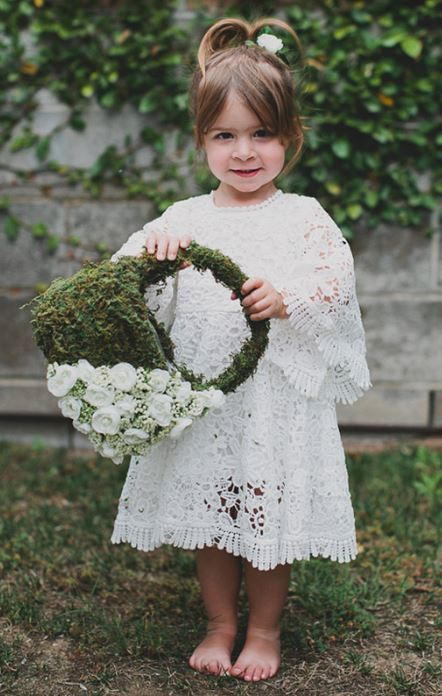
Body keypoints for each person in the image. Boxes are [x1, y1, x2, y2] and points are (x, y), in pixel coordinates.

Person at [109, 15, 372, 683]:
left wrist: (289, 296)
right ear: (201, 141)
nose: (244, 151)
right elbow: (125, 280)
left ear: (291, 137)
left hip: (273, 406)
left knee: (263, 513)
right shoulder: (183, 219)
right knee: (212, 520)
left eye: (262, 134)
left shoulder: (303, 216)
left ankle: (262, 630)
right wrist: (151, 260)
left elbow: (333, 279)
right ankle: (219, 622)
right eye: (225, 135)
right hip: (210, 405)